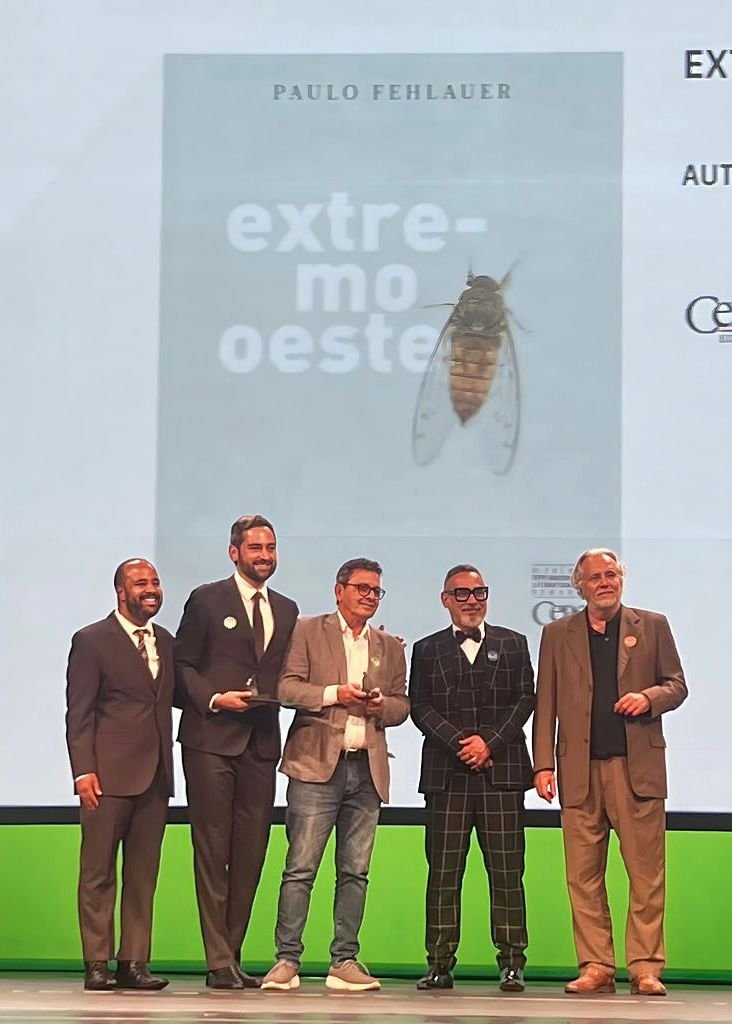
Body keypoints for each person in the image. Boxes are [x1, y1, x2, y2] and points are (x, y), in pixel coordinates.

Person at [533, 548, 687, 996]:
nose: (605, 583)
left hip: (636, 770)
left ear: (621, 578)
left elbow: (677, 685)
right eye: (595, 577)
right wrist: (542, 764)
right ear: (579, 586)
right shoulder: (557, 633)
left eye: (611, 574)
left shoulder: (652, 625)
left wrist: (649, 698)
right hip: (578, 770)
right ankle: (596, 965)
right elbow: (546, 702)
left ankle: (645, 967)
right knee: (583, 876)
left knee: (646, 875)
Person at [261, 558, 409, 992]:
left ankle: (344, 960)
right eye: (362, 588)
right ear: (339, 590)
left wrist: (382, 706)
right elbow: (286, 688)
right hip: (316, 767)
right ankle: (287, 960)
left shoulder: (389, 645)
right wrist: (335, 694)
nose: (369, 596)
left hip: (367, 769)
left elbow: (402, 705)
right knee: (300, 867)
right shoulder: (308, 630)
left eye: (376, 590)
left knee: (355, 871)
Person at [174, 515, 299, 990]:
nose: (265, 556)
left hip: (261, 743)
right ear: (234, 553)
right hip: (210, 740)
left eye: (270, 548)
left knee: (250, 853)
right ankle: (218, 959)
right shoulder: (207, 599)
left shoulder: (286, 608)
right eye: (255, 548)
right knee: (212, 850)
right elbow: (182, 665)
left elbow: (292, 671)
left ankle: (231, 954)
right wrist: (212, 699)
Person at [409, 564, 535, 992]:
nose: (472, 601)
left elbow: (525, 698)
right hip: (447, 776)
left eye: (479, 592)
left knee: (507, 873)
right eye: (461, 593)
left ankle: (513, 963)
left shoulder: (513, 643)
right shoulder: (426, 649)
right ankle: (439, 963)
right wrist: (462, 743)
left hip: (502, 775)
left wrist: (489, 743)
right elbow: (419, 706)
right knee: (444, 874)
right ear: (445, 599)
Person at [65, 559, 174, 992]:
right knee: (98, 873)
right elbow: (79, 712)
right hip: (106, 777)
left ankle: (133, 962)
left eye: (155, 582)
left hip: (155, 777)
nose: (151, 589)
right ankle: (97, 963)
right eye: (140, 582)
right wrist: (83, 770)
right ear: (121, 591)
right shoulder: (92, 640)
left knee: (143, 876)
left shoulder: (165, 641)